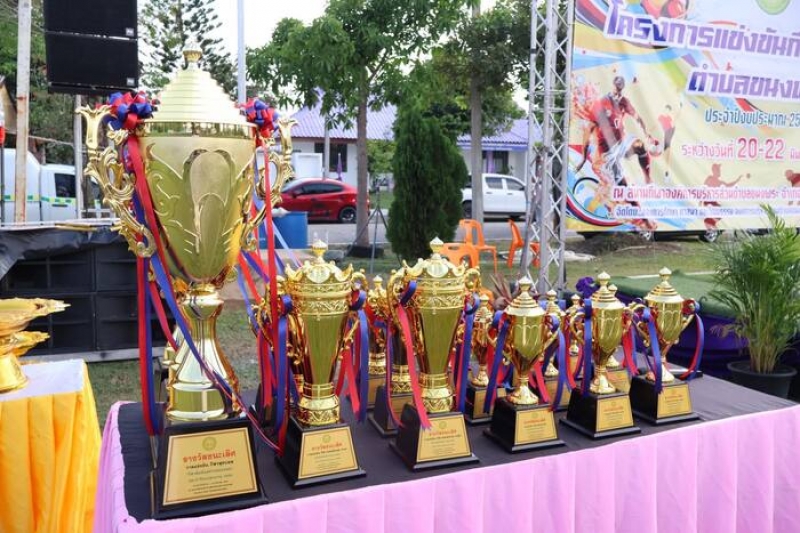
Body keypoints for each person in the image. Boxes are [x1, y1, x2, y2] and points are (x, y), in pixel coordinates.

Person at [574, 75, 656, 231]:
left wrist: (647, 135)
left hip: (621, 142)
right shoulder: (601, 103)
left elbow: (638, 118)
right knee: (623, 185)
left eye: (621, 86)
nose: (618, 89)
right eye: (616, 85)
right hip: (608, 152)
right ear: (612, 85)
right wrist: (583, 158)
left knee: (639, 145)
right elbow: (588, 130)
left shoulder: (624, 101)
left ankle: (647, 177)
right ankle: (644, 219)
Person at [702, 163, 748, 231]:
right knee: (718, 212)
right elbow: (703, 189)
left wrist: (737, 180)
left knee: (720, 212)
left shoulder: (719, 182)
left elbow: (728, 185)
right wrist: (701, 200)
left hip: (712, 202)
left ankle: (711, 225)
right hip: (708, 201)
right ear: (714, 171)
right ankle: (710, 225)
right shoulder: (709, 178)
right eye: (718, 170)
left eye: (719, 170)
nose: (719, 171)